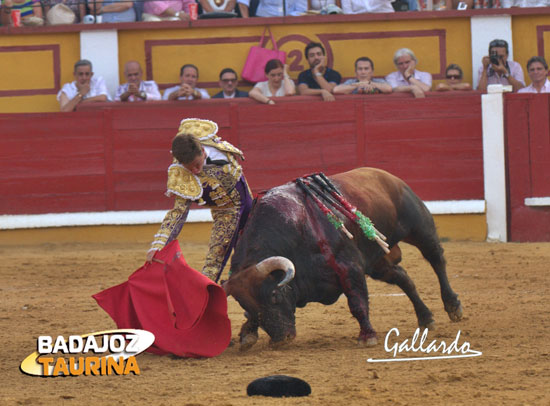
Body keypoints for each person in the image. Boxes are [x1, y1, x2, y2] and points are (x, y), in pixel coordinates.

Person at [146, 118, 253, 282]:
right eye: (190, 168)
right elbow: (178, 214)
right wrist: (158, 244)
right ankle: (202, 302)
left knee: (255, 246)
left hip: (245, 197)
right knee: (214, 263)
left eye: (197, 164)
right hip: (225, 211)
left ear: (203, 150)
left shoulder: (207, 140)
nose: (195, 171)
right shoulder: (181, 176)